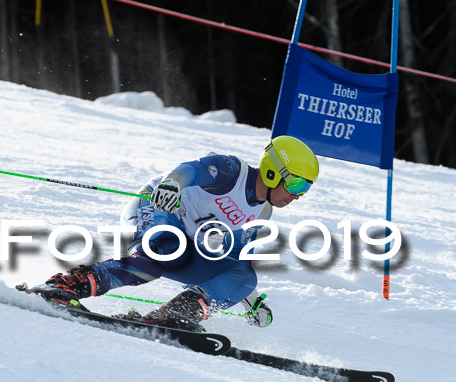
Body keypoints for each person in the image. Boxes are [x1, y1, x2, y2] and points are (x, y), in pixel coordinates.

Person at [26, 136, 320, 332]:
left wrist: (250, 300)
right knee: (158, 255)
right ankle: (66, 286)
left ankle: (174, 315)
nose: (298, 196)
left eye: (305, 190)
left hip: (185, 243)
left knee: (244, 277)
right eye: (296, 185)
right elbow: (189, 170)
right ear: (273, 172)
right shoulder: (231, 171)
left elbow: (236, 263)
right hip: (155, 205)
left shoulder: (263, 214)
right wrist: (172, 185)